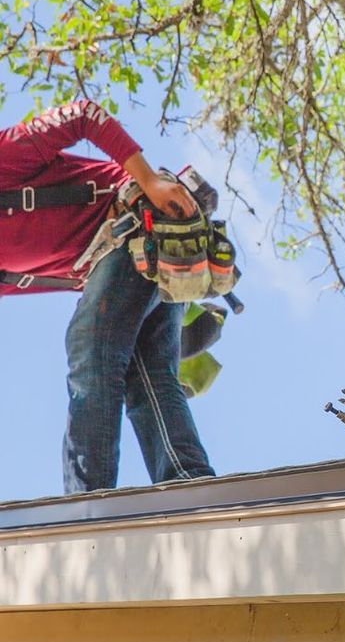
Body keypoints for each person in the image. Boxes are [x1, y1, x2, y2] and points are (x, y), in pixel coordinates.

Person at [0, 99, 215, 492]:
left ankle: (88, 503)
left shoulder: (4, 158)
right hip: (132, 259)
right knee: (146, 375)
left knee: (89, 345)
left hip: (139, 220)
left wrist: (148, 179)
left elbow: (83, 114)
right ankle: (190, 486)